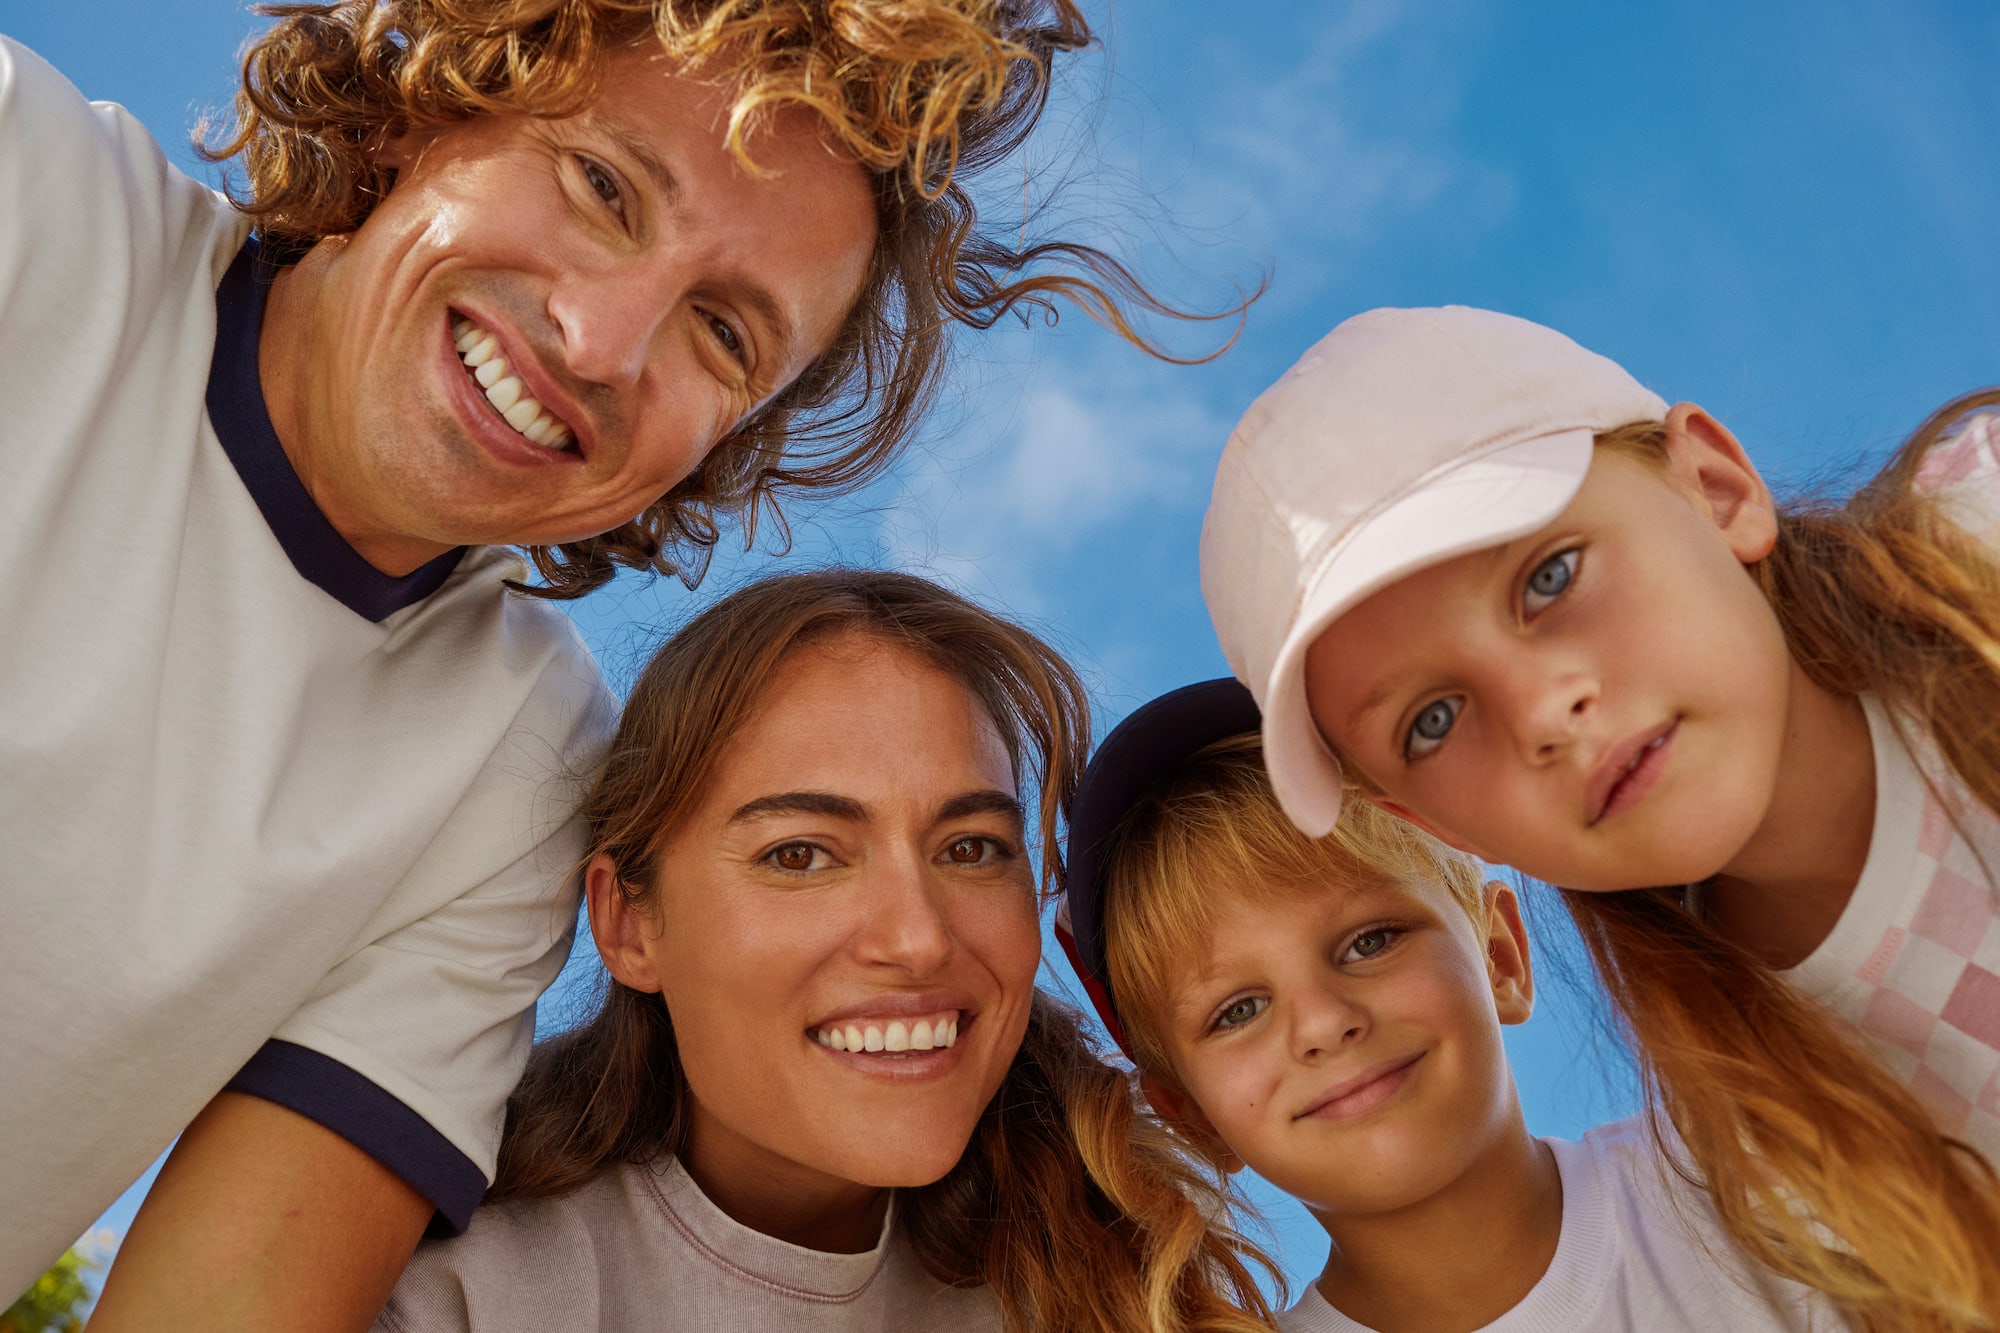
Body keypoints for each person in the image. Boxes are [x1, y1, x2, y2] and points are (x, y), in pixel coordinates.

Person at [0, 1, 1220, 1322]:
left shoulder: (505, 773)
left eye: (724, 333)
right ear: (437, 98)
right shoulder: (30, 193)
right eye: (600, 186)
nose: (601, 338)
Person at [1197, 305, 2000, 1326]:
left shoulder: (1981, 537)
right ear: (1433, 824)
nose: (1540, 714)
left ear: (1715, 488)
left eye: (1549, 576)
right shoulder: (1755, 1163)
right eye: (1433, 719)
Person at [374, 570, 1278, 1333]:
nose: (918, 938)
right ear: (626, 925)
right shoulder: (443, 1295)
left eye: (970, 848)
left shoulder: (1123, 1278)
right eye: (799, 855)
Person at [1058, 678, 1846, 1331]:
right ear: (1191, 1116)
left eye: (1371, 940)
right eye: (1237, 1010)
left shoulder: (1756, 1188)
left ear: (1501, 955)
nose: (1327, 1022)